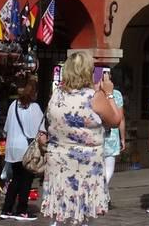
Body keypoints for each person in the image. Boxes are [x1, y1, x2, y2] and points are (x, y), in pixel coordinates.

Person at [42, 52, 122, 226]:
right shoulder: (94, 96)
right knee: (83, 213)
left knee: (59, 211)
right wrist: (109, 94)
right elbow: (116, 120)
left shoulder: (56, 95)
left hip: (58, 160)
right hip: (86, 163)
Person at [2, 82, 48, 222]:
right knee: (26, 180)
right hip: (26, 149)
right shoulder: (34, 108)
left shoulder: (13, 105)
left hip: (12, 147)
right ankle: (22, 210)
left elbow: (6, 128)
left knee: (15, 178)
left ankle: (7, 209)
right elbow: (40, 130)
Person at [100, 73, 125, 203]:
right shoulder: (116, 94)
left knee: (101, 167)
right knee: (109, 167)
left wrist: (122, 138)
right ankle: (102, 190)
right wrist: (122, 138)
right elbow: (120, 118)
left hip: (98, 133)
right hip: (112, 134)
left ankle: (104, 193)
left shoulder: (94, 93)